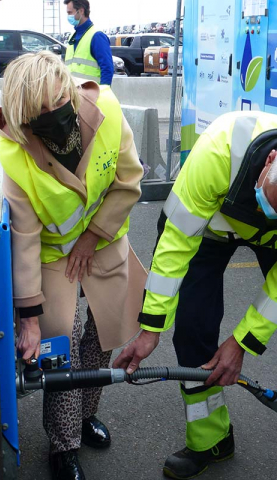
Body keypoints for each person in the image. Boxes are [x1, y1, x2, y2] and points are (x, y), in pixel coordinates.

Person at [0, 51, 146, 480]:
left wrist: (93, 236)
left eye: (59, 101)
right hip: (54, 254)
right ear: (22, 115)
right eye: (39, 111)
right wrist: (30, 317)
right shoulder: (12, 154)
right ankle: (63, 444)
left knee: (103, 331)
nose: (53, 114)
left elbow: (128, 181)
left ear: (69, 89)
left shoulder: (108, 111)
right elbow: (23, 239)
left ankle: (84, 415)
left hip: (103, 238)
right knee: (60, 342)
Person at [113, 110, 277, 480]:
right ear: (270, 160)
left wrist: (241, 343)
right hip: (209, 232)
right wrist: (151, 329)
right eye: (275, 200)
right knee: (191, 330)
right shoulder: (219, 153)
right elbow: (173, 249)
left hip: (273, 243)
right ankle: (212, 440)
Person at [64, 0, 114, 85]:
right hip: (75, 94)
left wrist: (103, 93)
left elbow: (107, 69)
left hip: (92, 95)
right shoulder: (72, 37)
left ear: (81, 11)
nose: (68, 16)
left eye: (70, 13)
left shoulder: (97, 36)